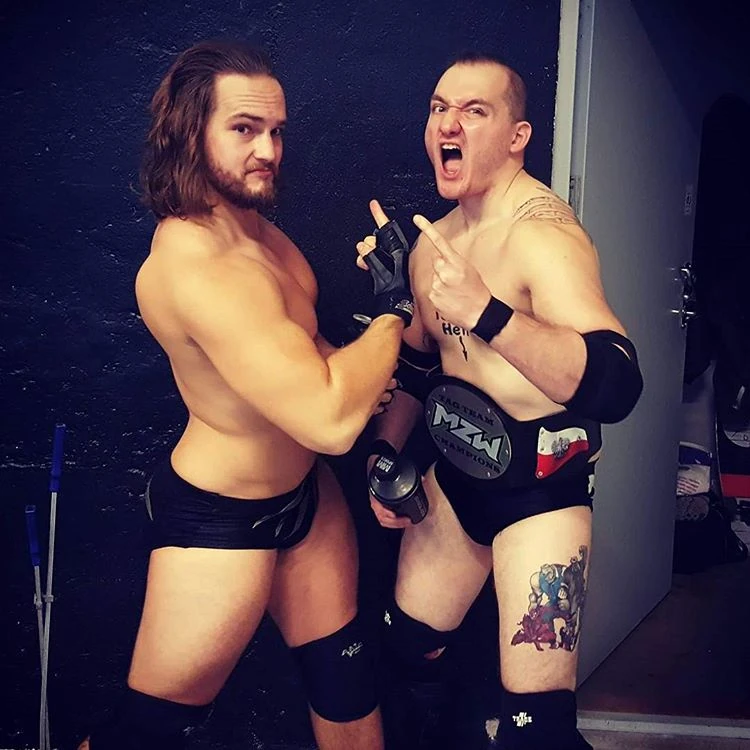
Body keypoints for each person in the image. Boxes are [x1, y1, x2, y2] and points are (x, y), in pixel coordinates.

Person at [80, 39, 415, 750]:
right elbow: (330, 420)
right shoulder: (197, 267)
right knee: (146, 737)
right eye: (244, 129)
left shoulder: (258, 234)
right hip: (222, 517)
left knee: (349, 691)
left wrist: (356, 365)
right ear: (189, 133)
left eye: (276, 131)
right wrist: (395, 308)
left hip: (309, 501)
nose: (268, 150)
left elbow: (304, 354)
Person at [359, 53, 643, 749]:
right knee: (405, 653)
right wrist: (384, 458)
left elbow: (617, 381)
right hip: (456, 480)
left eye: (474, 110)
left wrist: (488, 313)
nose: (448, 124)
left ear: (518, 137)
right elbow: (419, 368)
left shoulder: (543, 235)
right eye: (439, 108)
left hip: (540, 495)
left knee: (535, 731)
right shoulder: (433, 245)